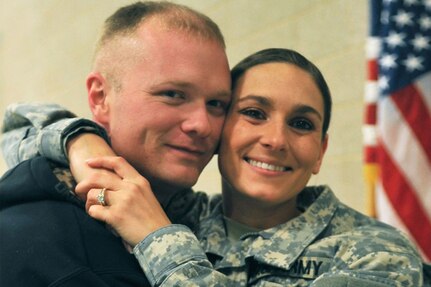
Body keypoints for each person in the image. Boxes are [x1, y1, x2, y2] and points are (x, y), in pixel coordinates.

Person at [2, 49, 426, 286]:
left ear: (319, 152)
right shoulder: (182, 211)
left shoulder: (376, 253)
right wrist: (81, 142)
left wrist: (157, 240)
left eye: (301, 124)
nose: (276, 140)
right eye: (254, 113)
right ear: (220, 130)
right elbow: (18, 124)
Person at [0, 1, 231, 286]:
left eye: (217, 104)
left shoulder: (213, 225)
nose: (202, 125)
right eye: (173, 94)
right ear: (100, 98)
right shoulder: (34, 240)